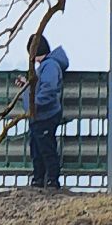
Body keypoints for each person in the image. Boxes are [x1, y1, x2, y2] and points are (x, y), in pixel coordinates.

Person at [20, 34, 69, 189]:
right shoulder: (48, 66)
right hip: (40, 116)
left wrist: (34, 104)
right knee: (38, 149)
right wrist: (27, 85)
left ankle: (51, 180)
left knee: (46, 150)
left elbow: (47, 90)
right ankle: (39, 179)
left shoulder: (50, 66)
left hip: (45, 115)